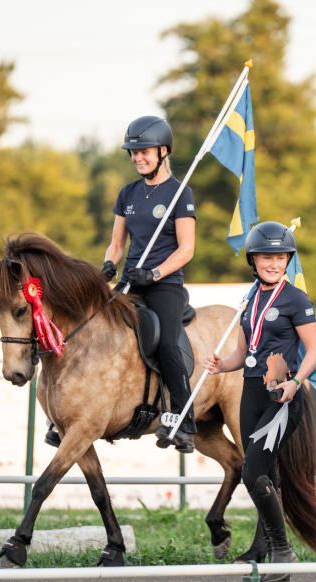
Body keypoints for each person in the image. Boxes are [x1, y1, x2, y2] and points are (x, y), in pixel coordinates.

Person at [203, 221, 316, 582]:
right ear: (253, 260)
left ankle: (282, 552)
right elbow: (244, 351)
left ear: (288, 260)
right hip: (251, 392)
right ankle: (278, 561)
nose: (274, 263)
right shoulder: (249, 299)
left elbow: (314, 349)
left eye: (281, 257)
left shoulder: (296, 299)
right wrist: (223, 365)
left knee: (251, 472)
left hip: (282, 396)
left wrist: (296, 383)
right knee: (266, 474)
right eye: (267, 257)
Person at [104, 115, 197, 453]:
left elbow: (187, 249)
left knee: (168, 345)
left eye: (144, 152)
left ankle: (184, 420)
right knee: (93, 326)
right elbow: (117, 244)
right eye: (133, 153)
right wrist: (108, 266)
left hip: (164, 285)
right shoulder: (127, 193)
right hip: (131, 283)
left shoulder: (179, 193)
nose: (137, 158)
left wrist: (155, 274)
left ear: (161, 151)